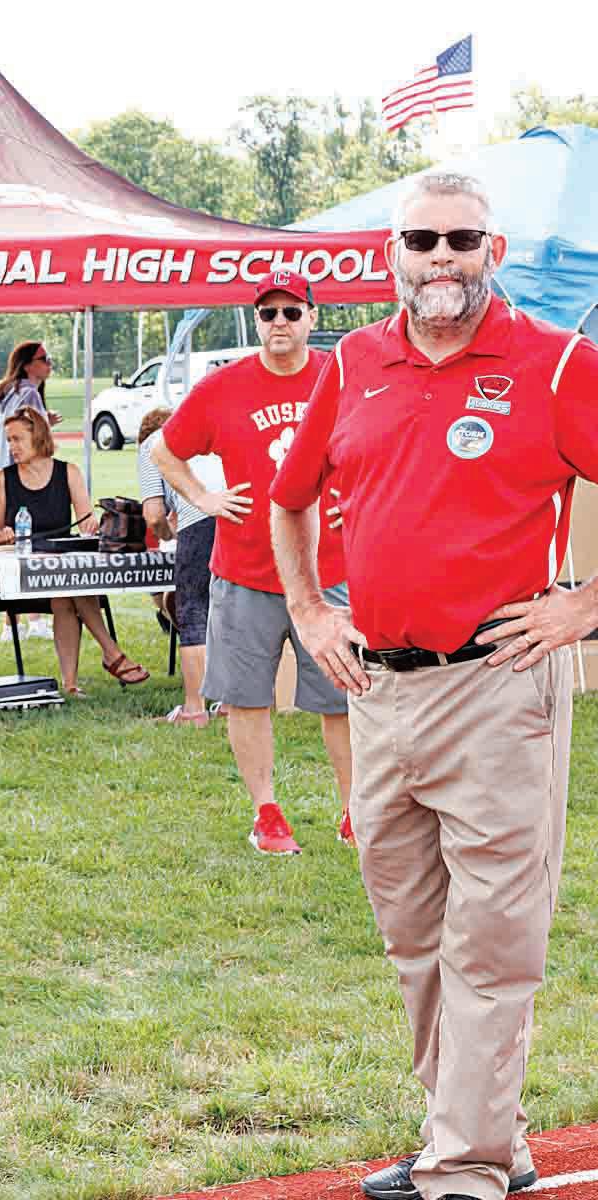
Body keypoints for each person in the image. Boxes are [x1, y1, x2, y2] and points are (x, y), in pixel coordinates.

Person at [271, 171, 598, 1200]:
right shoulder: (351, 362)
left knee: (493, 937)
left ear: (494, 251)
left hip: (500, 683)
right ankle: (476, 1131)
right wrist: (310, 611)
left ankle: (464, 1166)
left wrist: (583, 607)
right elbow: (289, 499)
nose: (442, 256)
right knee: (413, 933)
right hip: (381, 690)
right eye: (422, 239)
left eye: (462, 238)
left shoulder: (556, 362)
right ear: (393, 255)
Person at [152, 270, 353, 855]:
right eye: (269, 313)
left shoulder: (341, 378)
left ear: (312, 317)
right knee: (246, 697)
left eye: (291, 312)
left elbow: (383, 448)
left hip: (329, 574)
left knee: (343, 698)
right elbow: (164, 449)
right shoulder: (224, 387)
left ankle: (355, 812)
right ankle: (267, 814)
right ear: (256, 321)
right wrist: (204, 498)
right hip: (245, 572)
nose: (280, 323)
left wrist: (357, 502)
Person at [0, 408, 149, 693]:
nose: (12, 446)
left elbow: (87, 522)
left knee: (66, 591)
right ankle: (111, 653)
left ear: (38, 437)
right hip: (24, 572)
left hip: (62, 570)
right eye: (9, 440)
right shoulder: (3, 479)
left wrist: (92, 525)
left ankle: (72, 685)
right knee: (70, 586)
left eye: (17, 439)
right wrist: (3, 535)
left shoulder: (68, 472)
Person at [136, 406, 225, 726]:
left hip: (199, 520)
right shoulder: (205, 434)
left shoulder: (151, 446)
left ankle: (194, 709)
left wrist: (168, 535)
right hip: (241, 513)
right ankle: (232, 704)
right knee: (233, 612)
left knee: (193, 611)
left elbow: (154, 515)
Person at [0, 340, 63, 471]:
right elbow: (37, 441)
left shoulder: (10, 393)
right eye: (44, 359)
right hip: (25, 473)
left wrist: (43, 421)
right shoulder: (29, 394)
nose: (49, 363)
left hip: (6, 469)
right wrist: (45, 424)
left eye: (49, 359)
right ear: (26, 366)